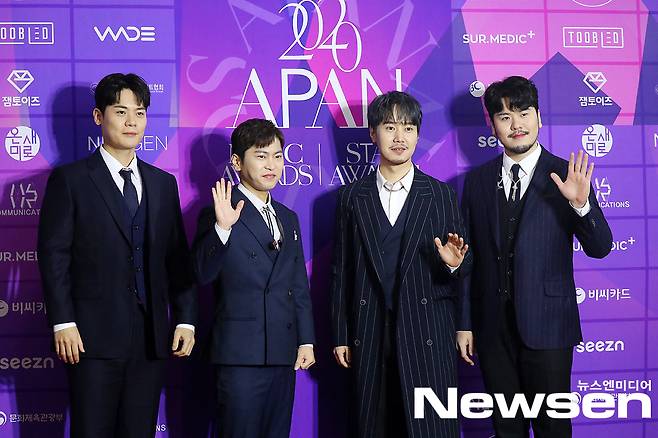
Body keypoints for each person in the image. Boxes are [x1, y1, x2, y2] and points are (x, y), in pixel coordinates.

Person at [38, 73, 197, 438]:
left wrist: (186, 319)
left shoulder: (163, 183)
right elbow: (54, 255)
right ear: (99, 117)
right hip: (90, 337)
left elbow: (177, 259)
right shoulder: (71, 180)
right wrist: (63, 322)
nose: (131, 122)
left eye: (139, 113)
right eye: (121, 111)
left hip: (150, 339)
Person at [457, 75, 613, 438]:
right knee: (505, 428)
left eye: (523, 113)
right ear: (492, 125)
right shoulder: (477, 182)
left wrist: (581, 205)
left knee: (552, 428)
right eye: (505, 116)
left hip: (549, 327)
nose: (516, 124)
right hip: (493, 330)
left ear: (539, 117)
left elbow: (601, 247)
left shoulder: (565, 175)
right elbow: (468, 259)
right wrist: (464, 323)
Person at [330, 91, 472, 438]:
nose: (399, 137)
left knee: (431, 428)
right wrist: (341, 335)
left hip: (428, 330)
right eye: (390, 127)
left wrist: (454, 265)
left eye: (408, 128)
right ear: (372, 133)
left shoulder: (440, 194)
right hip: (370, 331)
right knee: (374, 424)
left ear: (418, 135)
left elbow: (466, 268)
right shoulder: (352, 197)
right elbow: (341, 272)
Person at [192, 118, 315, 438]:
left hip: (282, 352)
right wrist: (222, 228)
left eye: (277, 156)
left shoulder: (288, 217)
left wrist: (305, 339)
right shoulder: (219, 210)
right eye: (261, 156)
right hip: (240, 355)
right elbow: (202, 274)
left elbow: (297, 284)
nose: (271, 165)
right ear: (237, 162)